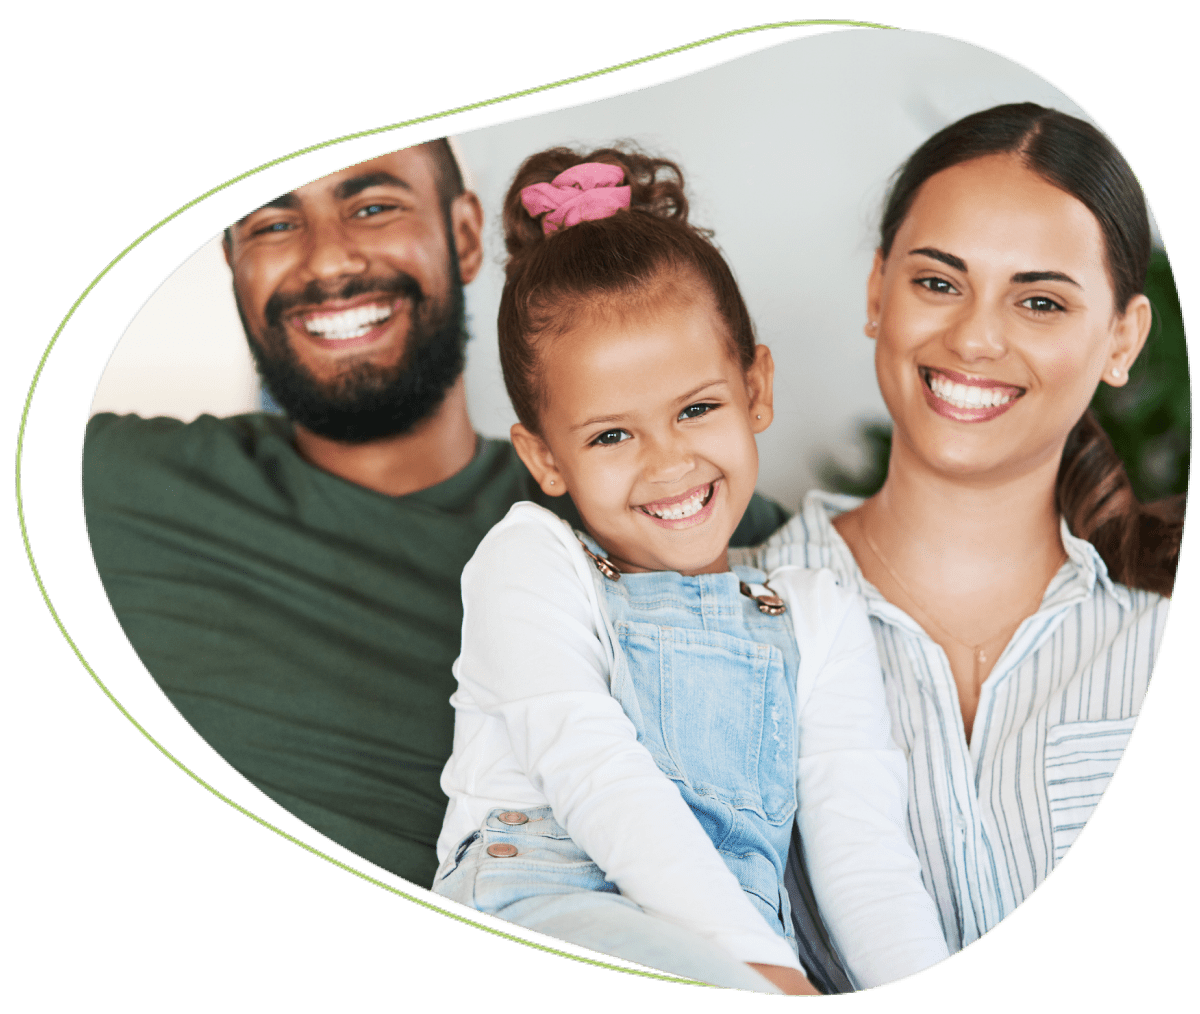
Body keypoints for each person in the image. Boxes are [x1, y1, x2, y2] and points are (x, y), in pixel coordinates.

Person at [80, 138, 789, 890]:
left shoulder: (670, 511)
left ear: (462, 234)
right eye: (271, 224)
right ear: (233, 267)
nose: (327, 260)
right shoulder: (110, 480)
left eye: (374, 205)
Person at [429, 149, 951, 994]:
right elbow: (601, 781)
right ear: (543, 456)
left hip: (736, 941)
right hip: (551, 905)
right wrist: (771, 975)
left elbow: (866, 859)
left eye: (697, 409)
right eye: (610, 435)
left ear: (755, 390)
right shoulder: (529, 563)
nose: (668, 463)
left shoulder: (816, 609)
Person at [736, 103, 1183, 955]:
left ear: (1123, 339)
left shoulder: (1149, 635)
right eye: (938, 283)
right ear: (878, 293)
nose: (975, 336)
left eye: (1041, 302)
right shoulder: (721, 614)